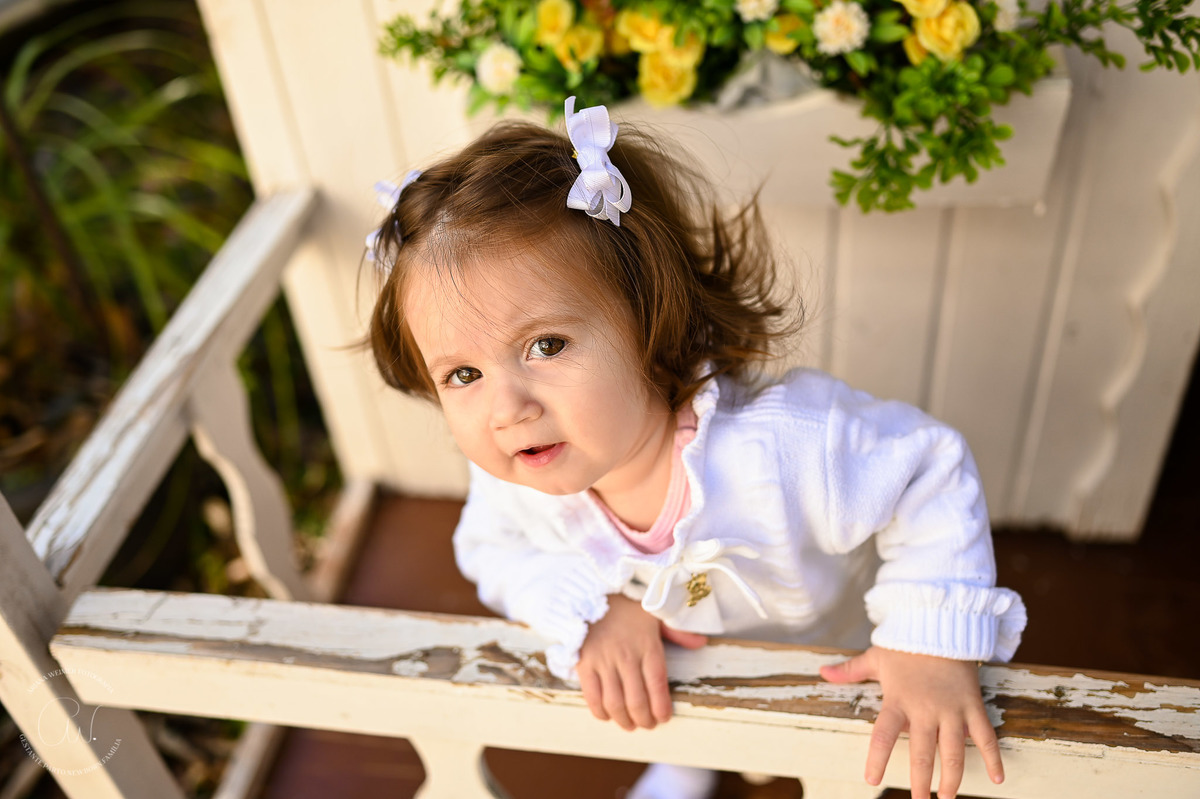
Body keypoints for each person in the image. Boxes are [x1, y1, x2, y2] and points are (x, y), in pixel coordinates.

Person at [364, 97, 1026, 799]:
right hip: (677, 668)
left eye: (547, 345)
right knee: (653, 695)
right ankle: (686, 759)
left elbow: (927, 469)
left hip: (837, 658)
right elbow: (490, 548)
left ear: (651, 316)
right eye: (463, 375)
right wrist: (592, 607)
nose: (507, 410)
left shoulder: (785, 445)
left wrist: (925, 641)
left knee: (856, 765)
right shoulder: (519, 473)